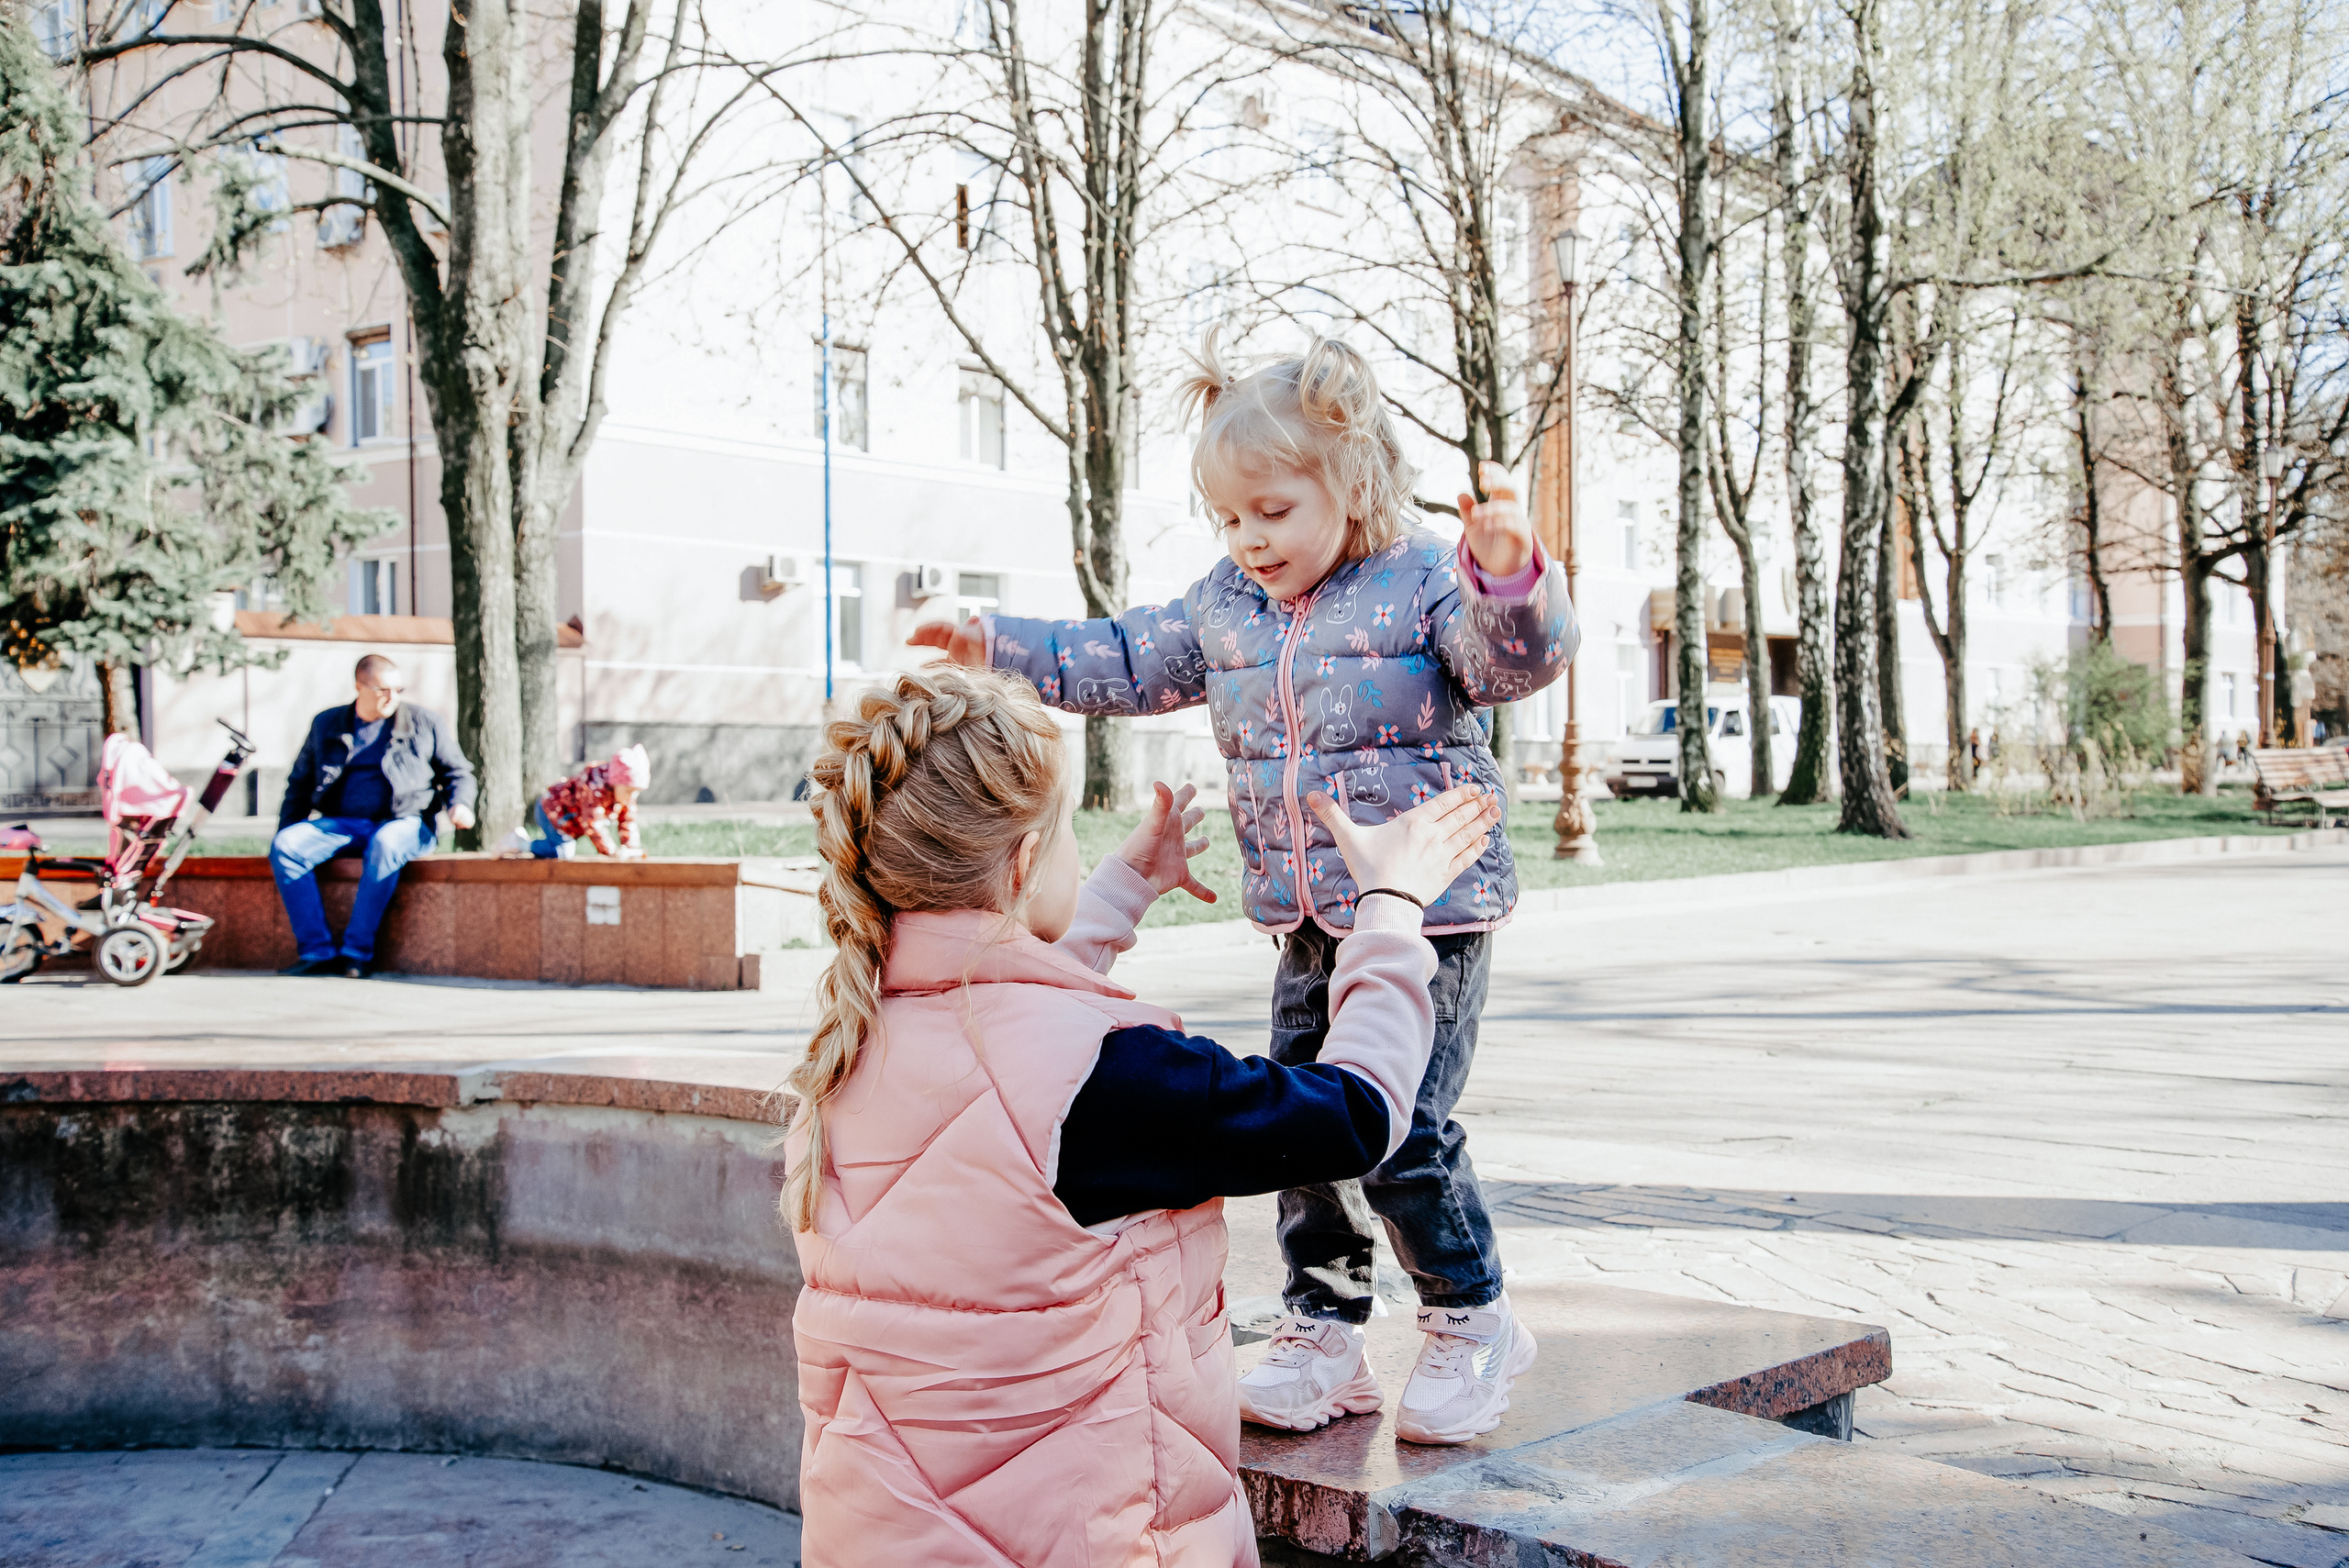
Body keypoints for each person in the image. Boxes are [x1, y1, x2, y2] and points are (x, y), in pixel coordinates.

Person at [911, 332, 1576, 1445]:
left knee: (1402, 1125)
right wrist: (999, 645)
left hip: (1427, 907)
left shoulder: (1421, 583)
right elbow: (1123, 657)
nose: (1247, 539)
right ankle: (1326, 1326)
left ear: (1351, 480)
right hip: (1308, 919)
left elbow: (1512, 662)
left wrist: (1508, 577)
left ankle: (1473, 1316)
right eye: (1227, 517)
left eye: (1270, 510)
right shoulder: (1227, 605)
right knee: (1301, 1123)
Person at [784, 664, 1498, 1568]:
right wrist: (1389, 910)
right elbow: (1355, 1113)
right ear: (1018, 862)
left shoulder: (847, 1049)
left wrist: (1122, 886)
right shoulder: (1115, 1079)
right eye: (1069, 834)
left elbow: (999, 1042)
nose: (1079, 854)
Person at [270, 654, 475, 978]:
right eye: (382, 689)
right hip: (343, 823)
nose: (392, 698)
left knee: (386, 843)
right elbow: (300, 783)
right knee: (288, 845)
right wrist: (286, 829)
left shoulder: (424, 723)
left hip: (406, 821)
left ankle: (356, 953)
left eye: (398, 689)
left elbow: (458, 773)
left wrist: (459, 804)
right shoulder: (327, 724)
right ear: (359, 686)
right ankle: (317, 952)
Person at [497, 744, 650, 860]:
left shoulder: (624, 794)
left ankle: (524, 843)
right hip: (551, 811)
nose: (632, 796)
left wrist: (631, 849)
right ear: (615, 782)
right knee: (564, 851)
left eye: (637, 792)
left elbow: (627, 820)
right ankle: (518, 843)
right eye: (629, 791)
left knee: (561, 849)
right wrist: (611, 851)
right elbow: (593, 823)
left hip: (568, 821)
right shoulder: (594, 787)